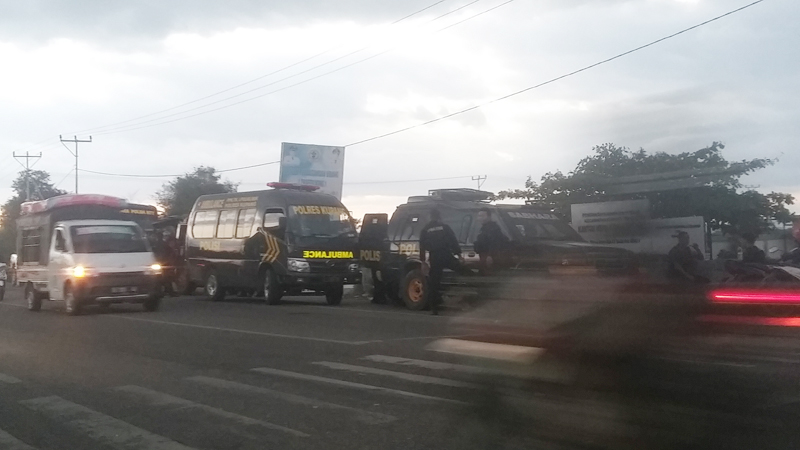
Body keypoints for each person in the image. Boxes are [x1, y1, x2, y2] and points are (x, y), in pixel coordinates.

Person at [420, 208, 463, 315]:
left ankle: (434, 308)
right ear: (439, 217)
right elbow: (453, 241)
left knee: (434, 283)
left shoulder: (425, 229)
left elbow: (422, 246)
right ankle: (473, 287)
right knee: (463, 270)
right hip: (446, 255)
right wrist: (459, 255)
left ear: (430, 217)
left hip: (434, 257)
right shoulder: (445, 227)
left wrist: (423, 262)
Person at [473, 207, 509, 275]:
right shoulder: (484, 228)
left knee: (488, 276)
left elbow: (494, 243)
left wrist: (490, 256)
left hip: (489, 257)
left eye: (482, 216)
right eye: (479, 216)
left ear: (489, 217)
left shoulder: (493, 228)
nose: (480, 218)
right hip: (483, 256)